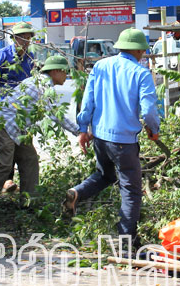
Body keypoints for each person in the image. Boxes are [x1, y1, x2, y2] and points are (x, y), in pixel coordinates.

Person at [64, 28, 159, 244]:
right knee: (131, 190)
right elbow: (149, 111)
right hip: (124, 142)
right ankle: (126, 240)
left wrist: (83, 129)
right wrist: (153, 130)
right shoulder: (141, 73)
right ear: (139, 50)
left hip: (100, 137)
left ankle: (77, 192)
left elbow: (87, 101)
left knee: (105, 175)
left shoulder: (101, 66)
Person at [0, 56, 80, 211]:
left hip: (16, 128)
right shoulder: (43, 84)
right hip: (4, 124)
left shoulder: (38, 81)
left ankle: (30, 202)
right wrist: (79, 132)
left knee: (29, 159)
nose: (67, 76)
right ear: (56, 71)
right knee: (4, 165)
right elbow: (55, 114)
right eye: (65, 72)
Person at [0, 22, 35, 96]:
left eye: (28, 38)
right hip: (3, 100)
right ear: (14, 39)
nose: (25, 41)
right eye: (22, 38)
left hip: (23, 100)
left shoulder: (30, 57)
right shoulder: (2, 54)